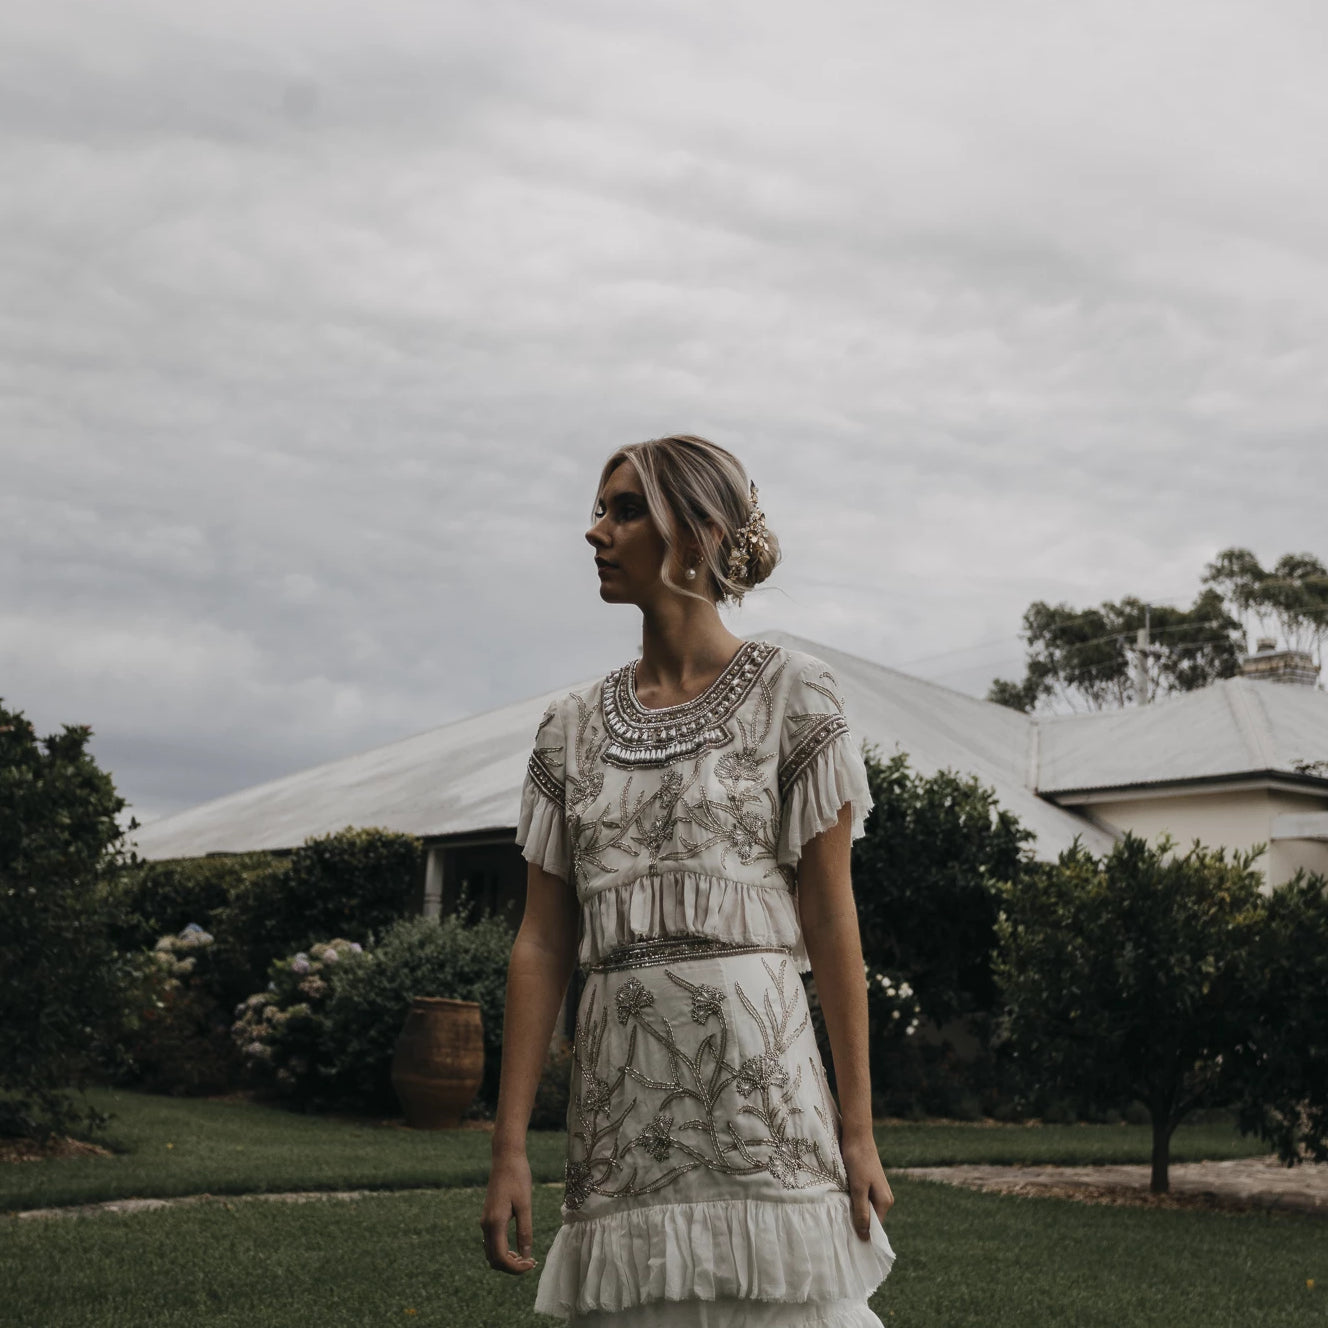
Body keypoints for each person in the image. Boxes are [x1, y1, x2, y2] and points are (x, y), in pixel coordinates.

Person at [481, 435, 896, 1325]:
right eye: (601, 507)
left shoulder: (799, 694)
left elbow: (830, 916)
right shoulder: (569, 727)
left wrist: (857, 1132)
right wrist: (509, 1145)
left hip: (766, 1103)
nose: (596, 530)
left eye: (626, 510)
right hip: (622, 1118)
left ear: (700, 534)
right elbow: (543, 941)